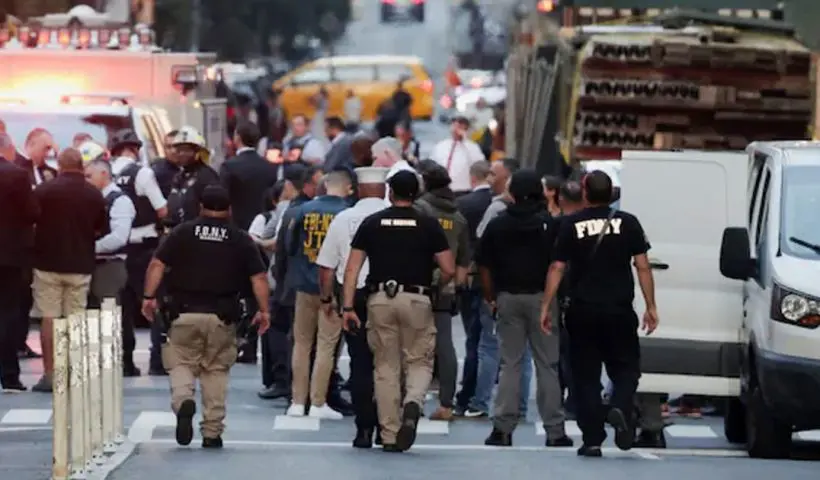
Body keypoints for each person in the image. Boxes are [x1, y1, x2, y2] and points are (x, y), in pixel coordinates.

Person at [540, 170, 659, 457]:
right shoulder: (628, 223)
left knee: (585, 377)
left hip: (582, 310)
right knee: (626, 369)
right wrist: (651, 305)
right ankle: (619, 405)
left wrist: (546, 305)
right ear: (611, 194)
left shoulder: (571, 224)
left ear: (584, 192)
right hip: (618, 309)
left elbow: (557, 267)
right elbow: (642, 265)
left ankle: (592, 439)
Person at [141, 185, 270, 449]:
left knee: (180, 363)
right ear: (229, 209)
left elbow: (157, 265)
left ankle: (183, 401)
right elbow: (258, 277)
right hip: (222, 317)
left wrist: (148, 297)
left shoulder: (182, 232)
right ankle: (212, 431)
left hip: (183, 313)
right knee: (215, 370)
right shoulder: (240, 238)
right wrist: (264, 310)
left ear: (200, 207)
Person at [341, 170, 455, 453]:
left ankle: (389, 434)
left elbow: (352, 268)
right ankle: (414, 401)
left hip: (380, 298)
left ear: (389, 192)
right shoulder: (428, 224)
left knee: (385, 367)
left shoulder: (373, 223)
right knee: (419, 360)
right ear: (415, 193)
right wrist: (435, 285)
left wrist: (347, 306)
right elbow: (450, 268)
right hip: (417, 298)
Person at [477, 169, 572, 448]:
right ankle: (555, 431)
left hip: (508, 296)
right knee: (547, 365)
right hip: (544, 299)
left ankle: (502, 428)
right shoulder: (551, 225)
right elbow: (560, 265)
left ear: (513, 193)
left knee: (510, 363)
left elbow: (484, 264)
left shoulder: (498, 224)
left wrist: (490, 296)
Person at [316, 167, 388, 447]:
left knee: (360, 362)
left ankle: (364, 429)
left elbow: (326, 267)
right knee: (389, 363)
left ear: (358, 189)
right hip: (387, 293)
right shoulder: (396, 216)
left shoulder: (344, 218)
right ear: (384, 190)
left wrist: (327, 299)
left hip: (353, 295)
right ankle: (387, 424)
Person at [31, 148, 108, 392]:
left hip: (47, 263)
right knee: (76, 318)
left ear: (60, 166)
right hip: (80, 264)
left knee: (49, 317)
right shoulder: (94, 194)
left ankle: (51, 374)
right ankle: (74, 372)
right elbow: (100, 228)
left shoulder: (43, 190)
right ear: (81, 166)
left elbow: (31, 220)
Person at [285, 171, 352, 419]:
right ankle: (317, 402)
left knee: (302, 343)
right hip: (333, 288)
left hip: (304, 283)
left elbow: (291, 246)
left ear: (324, 186)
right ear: (347, 188)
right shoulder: (347, 214)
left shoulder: (303, 210)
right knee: (326, 345)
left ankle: (296, 401)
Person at [107, 128, 169, 376]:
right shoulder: (142, 173)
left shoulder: (106, 173)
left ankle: (124, 362)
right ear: (136, 150)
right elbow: (162, 209)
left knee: (120, 308)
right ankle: (157, 360)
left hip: (114, 249)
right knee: (152, 301)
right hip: (143, 247)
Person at [414, 161, 471, 421]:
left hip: (417, 283)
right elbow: (463, 259)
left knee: (412, 344)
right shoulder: (457, 216)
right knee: (445, 346)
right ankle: (447, 403)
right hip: (445, 288)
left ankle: (410, 396)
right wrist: (457, 288)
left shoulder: (420, 210)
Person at [267, 167, 323, 401]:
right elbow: (283, 250)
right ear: (308, 185)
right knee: (313, 341)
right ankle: (313, 392)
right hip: (307, 284)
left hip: (295, 282)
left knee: (299, 340)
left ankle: (295, 390)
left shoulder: (294, 210)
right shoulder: (298, 210)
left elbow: (283, 250)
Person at [0, 133, 39, 393]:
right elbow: (31, 212)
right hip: (10, 255)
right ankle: (9, 375)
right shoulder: (17, 175)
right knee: (8, 313)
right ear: (8, 149)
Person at [453, 160, 493, 414]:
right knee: (489, 341)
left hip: (470, 275)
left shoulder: (464, 205)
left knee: (473, 339)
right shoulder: (498, 203)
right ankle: (483, 388)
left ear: (472, 177)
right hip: (494, 279)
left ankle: (468, 393)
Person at [84, 159, 135, 309]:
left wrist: (88, 248)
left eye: (89, 176)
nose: (86, 181)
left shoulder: (120, 200)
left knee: (108, 315)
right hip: (89, 265)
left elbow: (119, 237)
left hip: (109, 266)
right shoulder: (92, 198)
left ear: (104, 174)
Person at [220, 122, 279, 232]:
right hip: (264, 228)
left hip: (237, 227)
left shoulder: (229, 166)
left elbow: (223, 199)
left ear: (237, 138)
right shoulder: (269, 167)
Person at [166, 127, 221, 227]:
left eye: (186, 150)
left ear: (198, 152)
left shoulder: (208, 177)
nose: (181, 153)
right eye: (179, 150)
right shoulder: (178, 177)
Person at [430, 116, 485, 195]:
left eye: (459, 126)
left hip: (462, 190)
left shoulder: (472, 147)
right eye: (454, 125)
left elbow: (479, 164)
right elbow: (433, 164)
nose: (455, 129)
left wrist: (465, 139)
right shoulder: (440, 146)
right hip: (442, 190)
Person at [476, 158, 519, 238]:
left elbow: (482, 237)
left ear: (508, 178)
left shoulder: (497, 207)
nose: (488, 179)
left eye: (493, 174)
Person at [371, 137, 415, 202]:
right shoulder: (412, 172)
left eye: (375, 158)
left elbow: (386, 205)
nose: (373, 165)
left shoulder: (392, 177)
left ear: (387, 153)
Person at [152, 130, 181, 198]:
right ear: (163, 149)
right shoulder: (157, 173)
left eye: (176, 146)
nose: (173, 151)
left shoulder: (194, 169)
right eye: (168, 147)